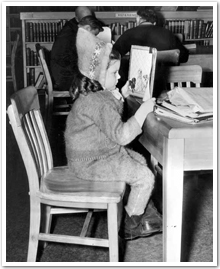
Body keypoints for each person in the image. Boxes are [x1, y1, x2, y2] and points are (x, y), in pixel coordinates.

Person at [64, 27, 162, 240]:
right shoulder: (98, 102)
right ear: (97, 76)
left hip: (94, 155)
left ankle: (139, 208)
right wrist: (143, 112)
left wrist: (121, 93)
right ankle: (130, 222)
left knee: (139, 160)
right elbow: (122, 135)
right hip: (91, 163)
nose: (118, 77)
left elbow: (107, 117)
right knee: (145, 177)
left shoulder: (96, 94)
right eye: (113, 73)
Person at [113, 8, 189, 94]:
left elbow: (114, 54)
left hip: (136, 85)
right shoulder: (167, 33)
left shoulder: (129, 33)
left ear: (138, 19)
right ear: (155, 22)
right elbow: (184, 56)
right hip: (162, 84)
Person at [50, 14, 103, 92]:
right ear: (87, 28)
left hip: (61, 75)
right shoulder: (73, 36)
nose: (93, 38)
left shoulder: (71, 30)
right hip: (64, 79)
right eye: (93, 35)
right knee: (98, 84)